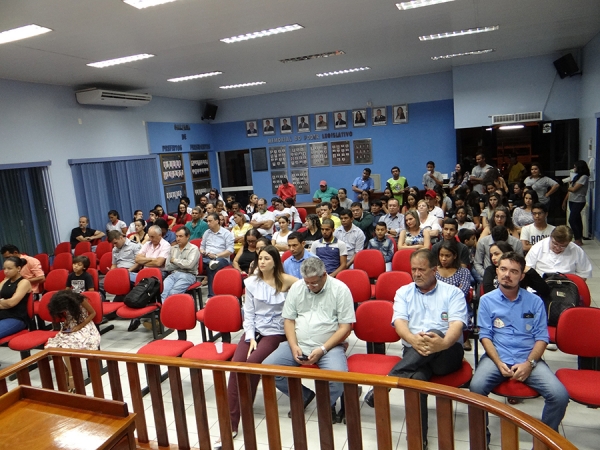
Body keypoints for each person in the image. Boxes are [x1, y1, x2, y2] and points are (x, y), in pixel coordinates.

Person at [363, 249, 467, 448]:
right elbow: (399, 322)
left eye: (422, 269)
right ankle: (419, 438)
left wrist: (442, 343)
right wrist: (412, 338)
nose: (417, 274)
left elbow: (456, 326)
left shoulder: (452, 293)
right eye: (414, 269)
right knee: (416, 380)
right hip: (414, 351)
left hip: (447, 353)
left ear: (434, 270)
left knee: (435, 331)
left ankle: (383, 385)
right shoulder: (404, 292)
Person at [470, 252, 569, 443]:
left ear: (521, 276)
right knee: (476, 388)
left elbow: (541, 338)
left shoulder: (535, 301)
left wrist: (530, 364)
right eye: (504, 269)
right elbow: (486, 336)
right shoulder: (487, 300)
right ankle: (482, 439)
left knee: (559, 395)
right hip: (497, 356)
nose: (507, 274)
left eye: (514, 271)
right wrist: (498, 362)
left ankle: (543, 444)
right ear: (497, 271)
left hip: (528, 357)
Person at [217, 246, 298, 448]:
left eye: (266, 258)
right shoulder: (251, 282)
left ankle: (244, 407)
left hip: (276, 332)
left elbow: (308, 291)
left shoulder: (287, 280)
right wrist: (251, 337)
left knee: (252, 364)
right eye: (260, 258)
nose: (262, 262)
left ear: (275, 261)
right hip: (255, 331)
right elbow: (249, 314)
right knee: (236, 366)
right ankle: (231, 423)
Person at [262, 257, 355, 419]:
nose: (310, 287)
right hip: (300, 343)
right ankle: (303, 396)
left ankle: (326, 403)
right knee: (268, 368)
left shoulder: (341, 289)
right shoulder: (298, 287)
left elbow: (345, 327)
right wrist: (293, 345)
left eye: (314, 283)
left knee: (339, 379)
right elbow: (289, 320)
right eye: (307, 283)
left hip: (329, 346)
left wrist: (323, 349)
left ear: (324, 275)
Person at [46, 290, 101, 392]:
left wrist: (80, 326)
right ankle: (66, 371)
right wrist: (66, 324)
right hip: (72, 326)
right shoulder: (66, 304)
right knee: (53, 346)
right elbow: (68, 317)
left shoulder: (80, 300)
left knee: (67, 345)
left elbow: (93, 313)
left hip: (85, 326)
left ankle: (72, 376)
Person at [525, 225, 592, 280]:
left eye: (563, 246)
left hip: (567, 285)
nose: (558, 248)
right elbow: (527, 270)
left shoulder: (576, 250)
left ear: (569, 243)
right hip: (542, 283)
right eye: (555, 244)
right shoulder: (537, 247)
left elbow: (583, 274)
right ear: (550, 237)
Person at [161, 227, 200, 302]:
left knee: (173, 293)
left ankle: (172, 311)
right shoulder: (172, 248)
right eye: (176, 236)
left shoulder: (193, 249)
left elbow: (189, 265)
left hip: (188, 275)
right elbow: (168, 266)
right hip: (173, 274)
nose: (178, 239)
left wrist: (174, 260)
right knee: (163, 292)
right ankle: (164, 312)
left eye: (180, 236)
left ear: (187, 236)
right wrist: (182, 263)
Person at [200, 213, 235, 297]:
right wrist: (203, 251)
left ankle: (211, 296)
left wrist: (216, 255)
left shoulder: (226, 233)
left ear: (217, 221)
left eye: (210, 221)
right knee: (197, 261)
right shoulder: (206, 233)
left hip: (221, 258)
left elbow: (230, 250)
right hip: (206, 257)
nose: (208, 223)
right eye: (207, 221)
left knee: (211, 267)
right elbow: (202, 246)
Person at [0, 257, 32, 339]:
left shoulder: (24, 282)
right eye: (4, 268)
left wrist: (4, 302)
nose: (6, 271)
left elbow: (12, 303)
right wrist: (5, 303)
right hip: (3, 314)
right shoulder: (5, 281)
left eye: (9, 268)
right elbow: (9, 303)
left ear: (18, 268)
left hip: (16, 317)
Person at [563, 159, 590, 246]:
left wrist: (568, 187)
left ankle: (578, 238)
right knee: (577, 219)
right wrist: (564, 201)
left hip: (579, 201)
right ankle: (579, 238)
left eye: (575, 167)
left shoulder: (584, 177)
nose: (574, 168)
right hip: (572, 200)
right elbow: (570, 191)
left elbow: (574, 189)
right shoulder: (577, 177)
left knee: (572, 219)